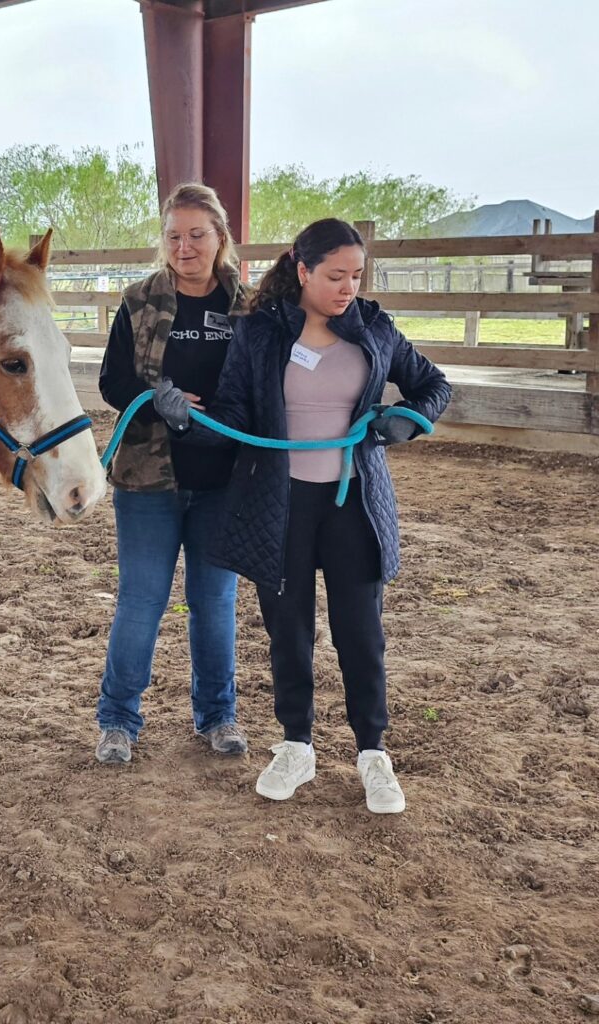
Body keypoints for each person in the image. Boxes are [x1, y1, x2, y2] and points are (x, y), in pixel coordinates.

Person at [153, 218, 451, 812]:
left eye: (356, 276)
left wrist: (408, 421)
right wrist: (181, 417)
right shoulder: (260, 333)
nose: (347, 288)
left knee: (360, 633)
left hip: (353, 504)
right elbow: (234, 417)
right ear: (303, 270)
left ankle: (373, 753)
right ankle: (296, 745)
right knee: (289, 632)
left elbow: (433, 386)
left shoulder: (375, 328)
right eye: (335, 276)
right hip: (280, 505)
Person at [94, 182, 251, 765]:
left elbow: (266, 385)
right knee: (141, 601)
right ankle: (117, 720)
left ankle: (217, 716)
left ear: (220, 239)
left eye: (197, 235)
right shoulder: (138, 301)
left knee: (214, 602)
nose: (184, 247)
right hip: (147, 481)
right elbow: (112, 381)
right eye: (174, 236)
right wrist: (156, 396)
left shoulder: (248, 308)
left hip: (222, 480)